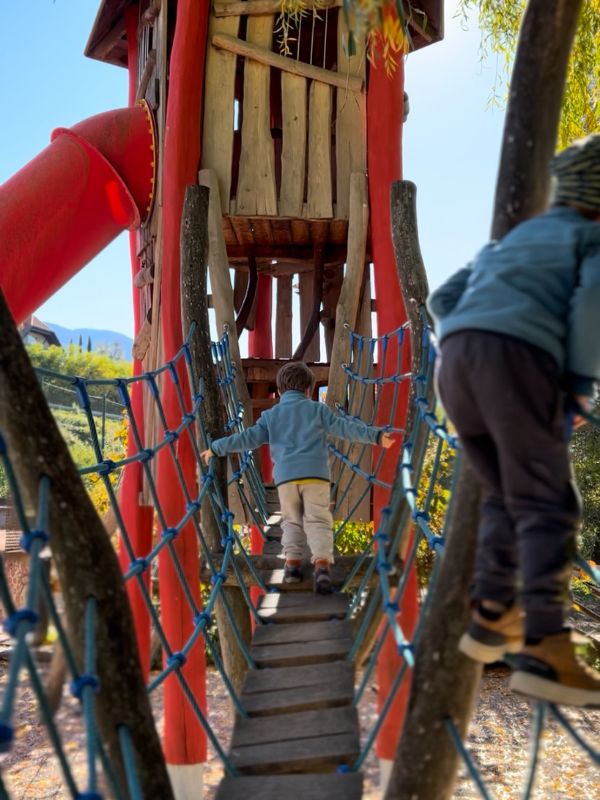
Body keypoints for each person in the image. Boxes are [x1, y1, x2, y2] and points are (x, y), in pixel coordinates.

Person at [427, 134, 600, 708]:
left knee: (505, 493)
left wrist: (470, 335)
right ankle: (546, 648)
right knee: (550, 504)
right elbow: (592, 303)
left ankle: (492, 615)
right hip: (517, 363)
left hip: (454, 366)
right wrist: (577, 385)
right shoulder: (592, 236)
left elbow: (443, 297)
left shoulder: (515, 238)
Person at [201, 361, 394, 593]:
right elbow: (346, 428)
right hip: (316, 476)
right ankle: (322, 565)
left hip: (286, 479)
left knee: (291, 521)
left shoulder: (270, 416)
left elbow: (246, 439)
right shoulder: (318, 410)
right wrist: (377, 436)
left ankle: (292, 565)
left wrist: (216, 447)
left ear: (280, 391)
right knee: (319, 520)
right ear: (309, 390)